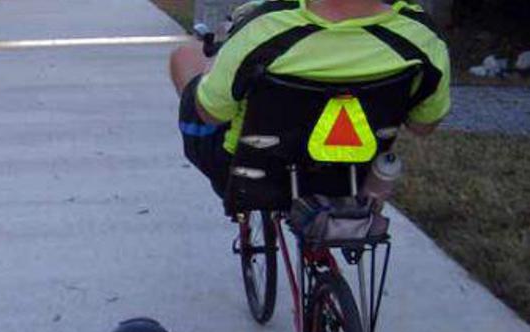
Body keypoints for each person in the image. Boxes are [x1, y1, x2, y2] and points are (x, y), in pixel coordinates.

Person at [170, 0, 450, 198]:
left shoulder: (264, 28)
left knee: (186, 57)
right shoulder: (422, 39)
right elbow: (423, 126)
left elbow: (212, 113)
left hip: (253, 174)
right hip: (355, 173)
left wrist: (212, 68)